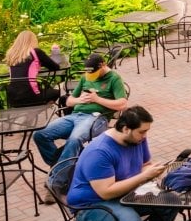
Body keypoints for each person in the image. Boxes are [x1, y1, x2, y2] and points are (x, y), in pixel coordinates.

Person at [65, 106, 191, 221]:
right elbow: (106, 192)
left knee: (171, 202)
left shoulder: (137, 140)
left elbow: (145, 165)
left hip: (125, 194)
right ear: (126, 128)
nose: (145, 136)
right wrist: (143, 177)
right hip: (92, 205)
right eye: (142, 132)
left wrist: (153, 172)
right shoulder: (99, 152)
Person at [33, 52, 129, 186]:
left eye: (94, 74)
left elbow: (122, 104)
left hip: (96, 118)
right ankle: (64, 168)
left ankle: (57, 182)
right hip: (74, 116)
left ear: (103, 65)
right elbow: (68, 102)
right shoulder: (85, 77)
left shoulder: (114, 78)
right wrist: (79, 100)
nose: (91, 77)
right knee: (39, 134)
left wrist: (97, 99)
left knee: (74, 140)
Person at [4, 30, 62, 107]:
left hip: (13, 98)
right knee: (56, 92)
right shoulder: (36, 52)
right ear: (33, 40)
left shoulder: (11, 55)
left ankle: (33, 113)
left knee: (43, 89)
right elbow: (55, 67)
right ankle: (38, 110)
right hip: (32, 96)